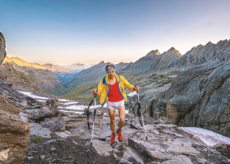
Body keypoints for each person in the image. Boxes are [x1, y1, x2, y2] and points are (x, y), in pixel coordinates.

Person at [93, 64, 139, 143]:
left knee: (122, 119)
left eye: (112, 71)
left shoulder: (120, 78)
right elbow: (99, 90)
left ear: (114, 71)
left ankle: (119, 130)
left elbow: (127, 85)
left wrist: (134, 88)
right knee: (112, 120)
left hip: (120, 101)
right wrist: (95, 92)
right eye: (109, 72)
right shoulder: (104, 80)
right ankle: (113, 134)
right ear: (107, 73)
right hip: (111, 102)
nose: (111, 74)